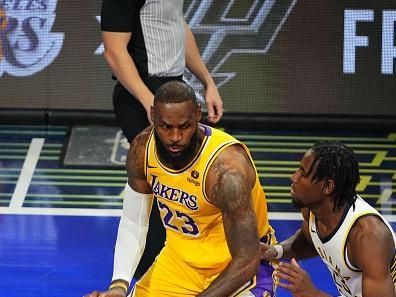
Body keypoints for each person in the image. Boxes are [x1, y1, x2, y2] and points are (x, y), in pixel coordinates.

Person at [85, 81, 276, 297]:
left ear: (197, 115)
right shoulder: (142, 150)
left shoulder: (226, 171)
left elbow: (246, 260)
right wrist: (118, 287)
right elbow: (133, 221)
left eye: (184, 126)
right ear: (153, 115)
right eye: (166, 126)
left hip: (241, 268)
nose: (175, 137)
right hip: (179, 263)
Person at [100, 0, 224, 279]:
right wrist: (151, 105)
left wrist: (207, 81)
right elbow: (114, 52)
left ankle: (181, 263)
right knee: (156, 185)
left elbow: (177, 26)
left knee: (179, 181)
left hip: (172, 90)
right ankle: (148, 277)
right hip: (140, 95)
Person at [261, 140, 396, 297]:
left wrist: (313, 294)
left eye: (303, 174)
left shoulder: (368, 236)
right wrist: (276, 251)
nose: (294, 177)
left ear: (327, 187)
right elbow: (308, 239)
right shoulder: (311, 209)